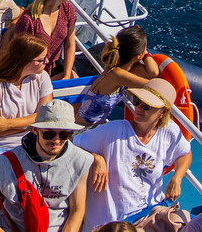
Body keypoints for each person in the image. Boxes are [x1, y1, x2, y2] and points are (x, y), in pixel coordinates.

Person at [80, 77, 192, 229]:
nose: (138, 108)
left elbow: (184, 153)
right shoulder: (113, 131)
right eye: (137, 101)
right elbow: (72, 145)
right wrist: (96, 159)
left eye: (146, 106)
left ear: (163, 112)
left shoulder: (169, 132)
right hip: (112, 226)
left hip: (148, 217)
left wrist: (177, 178)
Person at [0, 101, 95, 232]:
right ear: (35, 130)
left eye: (64, 134)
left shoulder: (80, 160)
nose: (57, 140)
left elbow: (77, 210)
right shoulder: (4, 162)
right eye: (49, 134)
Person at [0, 33, 58, 167]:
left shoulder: (42, 77)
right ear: (23, 61)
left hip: (30, 145)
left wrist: (8, 124)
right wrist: (32, 125)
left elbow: (46, 117)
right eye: (40, 60)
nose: (46, 62)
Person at [73, 25, 159, 126]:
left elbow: (153, 72)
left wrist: (144, 54)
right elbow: (155, 86)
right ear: (138, 55)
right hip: (82, 127)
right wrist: (146, 54)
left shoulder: (119, 67)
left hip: (94, 124)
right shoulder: (117, 74)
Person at [11, 0, 79, 79]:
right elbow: (18, 55)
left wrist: (66, 75)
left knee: (74, 78)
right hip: (33, 70)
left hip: (56, 66)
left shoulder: (68, 10)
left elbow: (70, 44)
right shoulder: (28, 20)